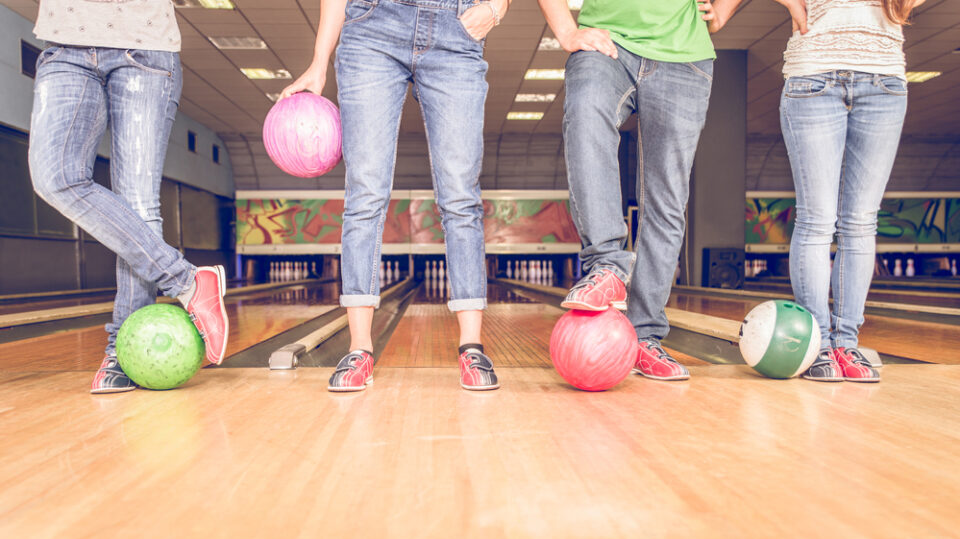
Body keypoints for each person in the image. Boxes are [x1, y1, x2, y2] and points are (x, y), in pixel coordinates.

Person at [281, 0, 510, 392]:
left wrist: (496, 6)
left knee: (460, 196)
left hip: (456, 26)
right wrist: (319, 61)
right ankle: (359, 350)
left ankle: (472, 348)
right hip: (372, 23)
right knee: (365, 194)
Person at [28, 0, 229, 394]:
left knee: (138, 203)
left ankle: (122, 350)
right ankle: (187, 280)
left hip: (144, 45)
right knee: (55, 179)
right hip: (65, 44)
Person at [536, 0, 737, 381]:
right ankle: (607, 266)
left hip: (685, 57)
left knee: (667, 199)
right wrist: (566, 30)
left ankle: (645, 336)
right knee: (586, 119)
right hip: (606, 43)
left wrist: (726, 8)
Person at [770, 0, 925, 382]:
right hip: (813, 74)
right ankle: (819, 346)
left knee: (860, 223)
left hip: (884, 80)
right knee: (817, 220)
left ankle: (846, 344)